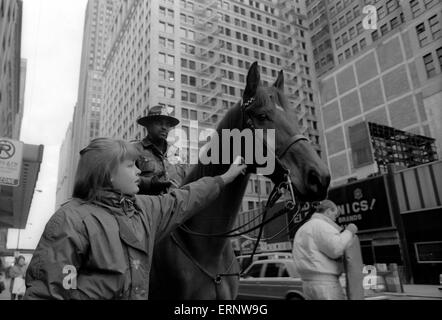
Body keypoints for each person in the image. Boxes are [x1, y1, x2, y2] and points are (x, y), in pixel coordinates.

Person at [24, 138, 246, 300]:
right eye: (130, 166)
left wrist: (225, 178)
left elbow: (185, 198)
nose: (138, 171)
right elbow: (47, 292)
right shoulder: (70, 220)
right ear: (107, 174)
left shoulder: (144, 209)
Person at [292, 200, 358, 300]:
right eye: (334, 215)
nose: (335, 219)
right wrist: (349, 231)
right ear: (328, 211)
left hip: (307, 284)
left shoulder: (302, 229)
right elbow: (336, 248)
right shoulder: (321, 225)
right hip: (326, 285)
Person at [133, 105, 188, 195]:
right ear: (148, 126)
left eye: (167, 124)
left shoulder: (178, 153)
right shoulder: (134, 150)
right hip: (147, 206)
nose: (164, 127)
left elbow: (187, 182)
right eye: (159, 123)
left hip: (175, 207)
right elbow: (123, 179)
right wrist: (151, 183)